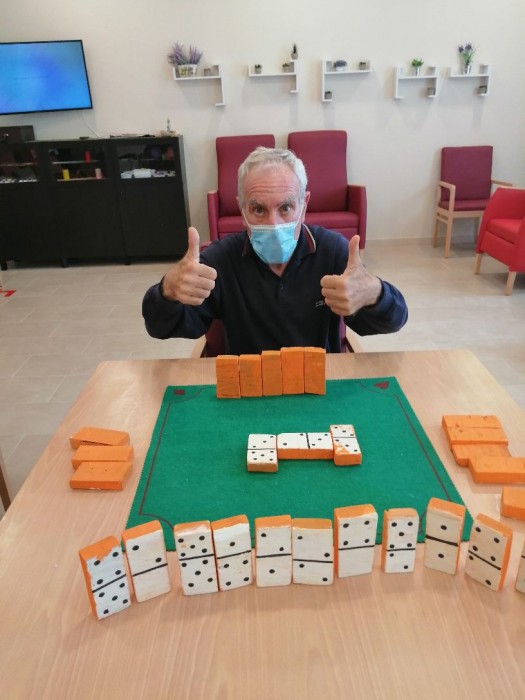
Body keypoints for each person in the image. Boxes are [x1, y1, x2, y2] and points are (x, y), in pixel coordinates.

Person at [142, 146, 407, 354]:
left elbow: (395, 320)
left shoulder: (333, 252)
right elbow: (161, 328)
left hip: (318, 385)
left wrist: (374, 292)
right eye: (258, 209)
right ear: (242, 209)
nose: (273, 223)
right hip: (248, 388)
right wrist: (167, 291)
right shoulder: (220, 261)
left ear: (304, 205)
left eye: (286, 208)